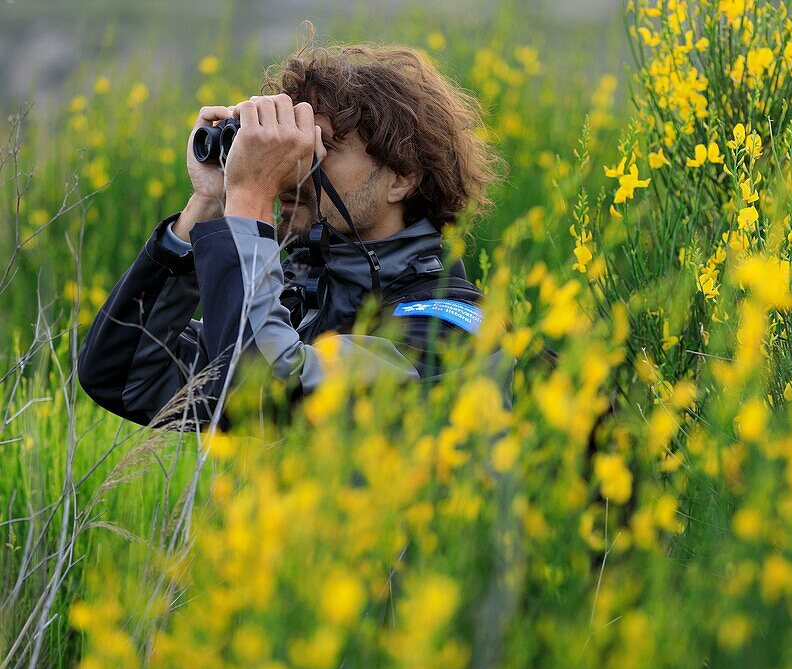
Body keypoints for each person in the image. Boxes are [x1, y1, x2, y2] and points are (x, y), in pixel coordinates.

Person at [77, 39, 510, 432]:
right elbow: (126, 376)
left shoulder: (448, 331)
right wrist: (211, 199)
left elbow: (268, 388)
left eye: (320, 148)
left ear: (401, 179)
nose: (294, 168)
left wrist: (252, 193)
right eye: (291, 147)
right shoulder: (303, 311)